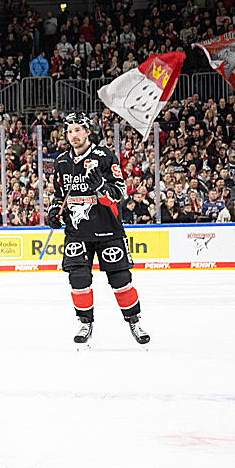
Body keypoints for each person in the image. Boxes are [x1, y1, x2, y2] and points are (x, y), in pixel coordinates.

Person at [48, 113, 150, 349]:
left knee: (121, 279)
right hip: (77, 230)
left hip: (107, 229)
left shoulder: (105, 156)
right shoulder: (62, 161)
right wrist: (54, 212)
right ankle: (85, 323)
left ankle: (134, 322)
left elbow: (119, 192)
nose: (73, 135)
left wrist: (101, 187)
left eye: (78, 130)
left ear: (87, 131)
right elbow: (60, 195)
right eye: (70, 131)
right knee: (78, 279)